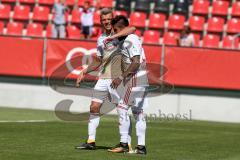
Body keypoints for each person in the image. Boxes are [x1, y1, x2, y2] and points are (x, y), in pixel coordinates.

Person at [75, 8, 136, 151]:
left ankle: (125, 143)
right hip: (103, 77)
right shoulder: (101, 38)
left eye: (109, 19)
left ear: (112, 19)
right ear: (100, 21)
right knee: (94, 107)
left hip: (117, 78)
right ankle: (91, 141)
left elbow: (133, 28)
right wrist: (84, 71)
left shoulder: (120, 33)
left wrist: (114, 36)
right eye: (104, 20)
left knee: (122, 110)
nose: (106, 22)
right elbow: (98, 60)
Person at [107, 15, 148, 155]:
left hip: (135, 79)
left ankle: (124, 143)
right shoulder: (127, 39)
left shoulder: (130, 40)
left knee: (122, 107)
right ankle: (141, 147)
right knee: (139, 113)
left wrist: (120, 77)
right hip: (141, 79)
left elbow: (135, 62)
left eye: (115, 30)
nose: (114, 33)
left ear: (119, 28)